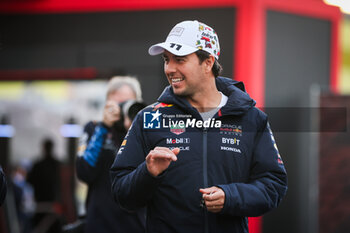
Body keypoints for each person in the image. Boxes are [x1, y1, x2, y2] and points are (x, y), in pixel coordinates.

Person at [110, 20, 288, 233]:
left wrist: (230, 197)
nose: (170, 69)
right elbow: (121, 193)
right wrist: (148, 173)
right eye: (167, 60)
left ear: (208, 62)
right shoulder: (148, 118)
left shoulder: (251, 119)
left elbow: (273, 185)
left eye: (180, 60)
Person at [76, 76, 146, 233]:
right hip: (100, 223)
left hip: (137, 224)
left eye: (127, 103)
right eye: (117, 104)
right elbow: (84, 172)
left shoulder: (145, 131)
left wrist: (134, 129)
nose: (122, 109)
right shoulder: (94, 129)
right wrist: (104, 128)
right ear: (107, 103)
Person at [27, 138, 62, 233]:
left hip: (40, 206)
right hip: (55, 207)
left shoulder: (37, 165)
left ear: (44, 148)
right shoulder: (58, 165)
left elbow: (29, 181)